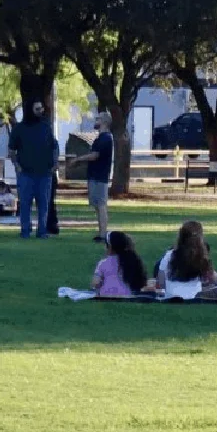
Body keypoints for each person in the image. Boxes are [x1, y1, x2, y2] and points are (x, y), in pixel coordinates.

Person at [148, 221, 217, 301]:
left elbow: (161, 281)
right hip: (196, 297)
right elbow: (213, 279)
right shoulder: (202, 256)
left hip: (171, 295)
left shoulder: (169, 254)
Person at [8, 100, 60, 239]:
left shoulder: (46, 127)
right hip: (26, 174)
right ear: (30, 110)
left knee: (44, 204)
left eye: (41, 109)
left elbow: (54, 146)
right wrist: (17, 166)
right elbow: (11, 150)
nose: (40, 111)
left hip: (45, 174)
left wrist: (55, 164)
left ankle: (42, 231)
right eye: (37, 109)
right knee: (25, 204)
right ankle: (25, 231)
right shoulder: (19, 128)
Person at [74, 112, 114, 241]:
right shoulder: (99, 138)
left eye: (98, 119)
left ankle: (103, 235)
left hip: (100, 176)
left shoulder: (106, 138)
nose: (95, 121)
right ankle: (101, 232)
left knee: (101, 205)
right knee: (97, 205)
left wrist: (77, 160)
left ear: (105, 122)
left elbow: (94, 155)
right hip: (94, 175)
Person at [91, 230, 147, 297]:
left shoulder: (102, 263)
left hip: (105, 294)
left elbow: (95, 283)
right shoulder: (132, 261)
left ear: (110, 247)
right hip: (127, 294)